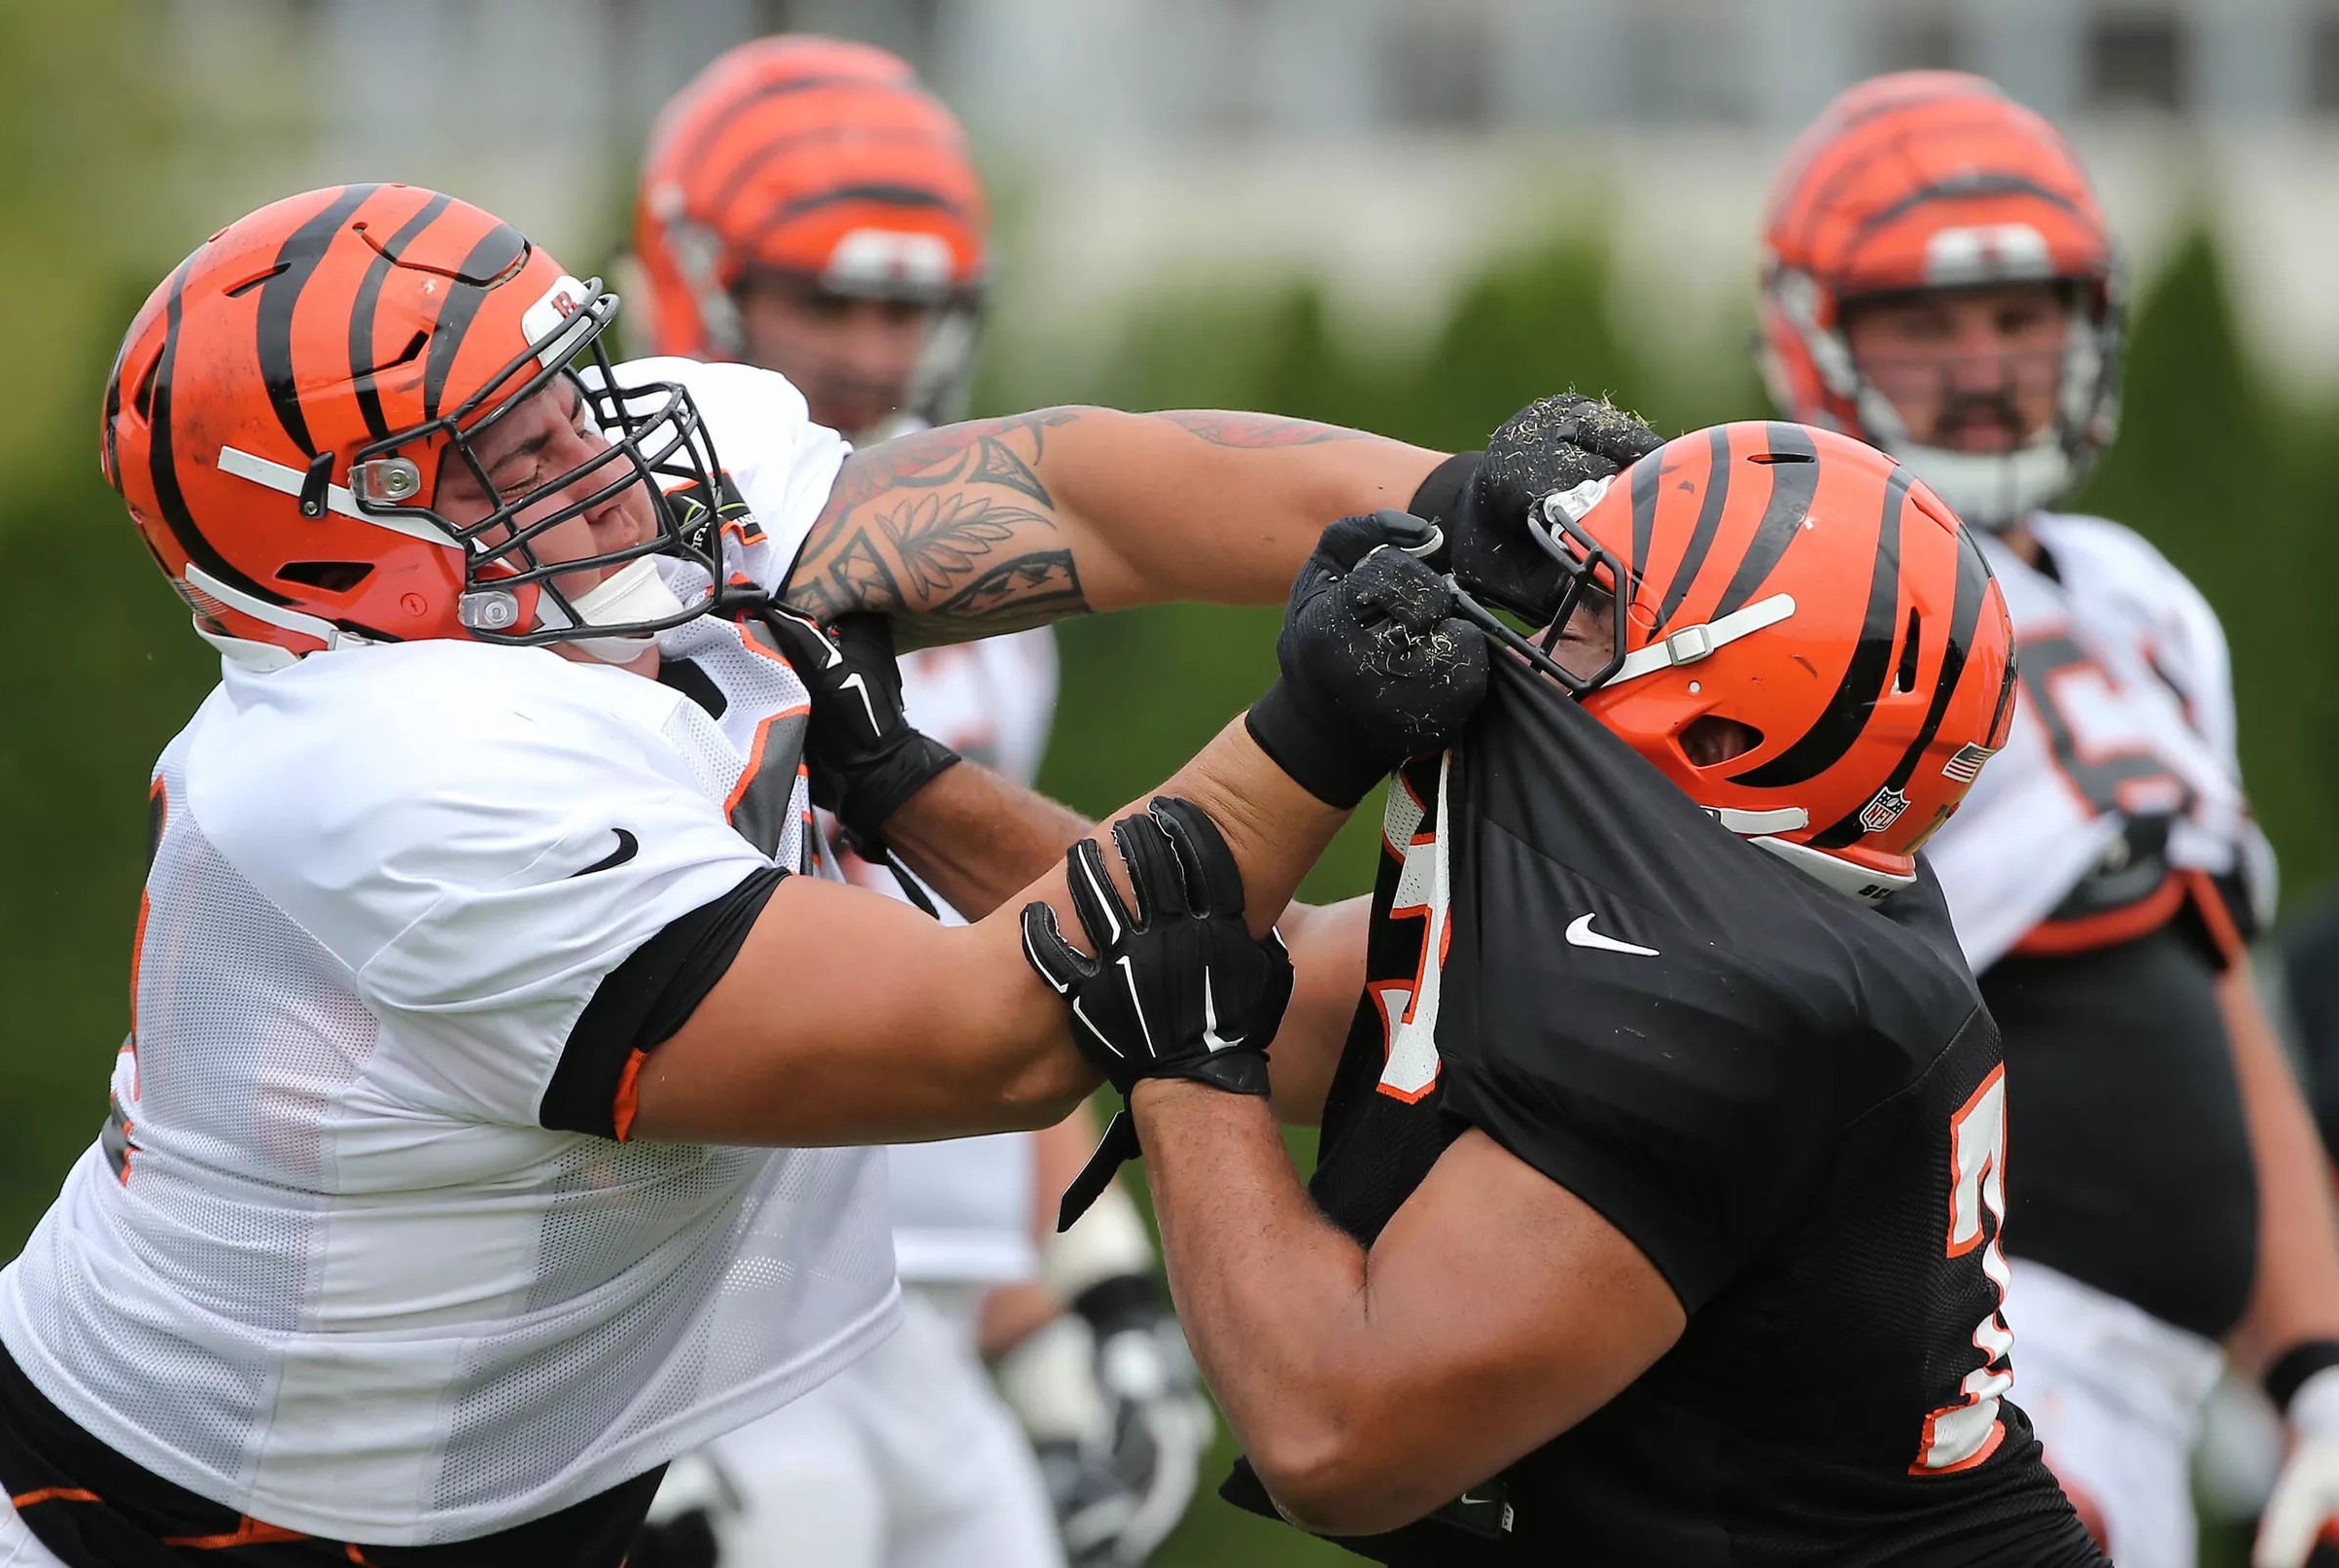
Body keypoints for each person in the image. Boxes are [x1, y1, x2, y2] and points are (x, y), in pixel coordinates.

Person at [0, 181, 1451, 1567]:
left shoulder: (569, 526)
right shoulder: (389, 781)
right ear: (343, 538)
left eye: (564, 384)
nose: (596, 452)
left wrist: (1476, 514)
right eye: (512, 441)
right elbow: (1003, 1031)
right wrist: (1314, 728)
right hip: (160, 1523)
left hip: (510, 1495)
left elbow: (1083, 498)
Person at [1009, 412, 2111, 1564]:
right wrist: (893, 779)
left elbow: (1332, 1434)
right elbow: (1241, 961)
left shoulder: (1725, 998)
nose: (1542, 630)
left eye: (1595, 613)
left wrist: (1187, 1071)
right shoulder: (1751, 882)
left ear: (1727, 726)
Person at [626, 39, 1199, 1567]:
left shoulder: (984, 593)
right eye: (832, 298)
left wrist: (1080, 1285)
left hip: (916, 1293)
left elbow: (998, 943)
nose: (876, 354)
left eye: (910, 306)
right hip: (696, 1298)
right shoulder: (618, 572)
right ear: (697, 275)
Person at [1757, 72, 2339, 1568]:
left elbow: (2216, 1004)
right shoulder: (1777, 585)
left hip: (2152, 1387)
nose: (1984, 366)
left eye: (2023, 317)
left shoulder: (2141, 596)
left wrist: (2318, 1374)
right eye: (1925, 323)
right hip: (1953, 1366)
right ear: (1816, 331)